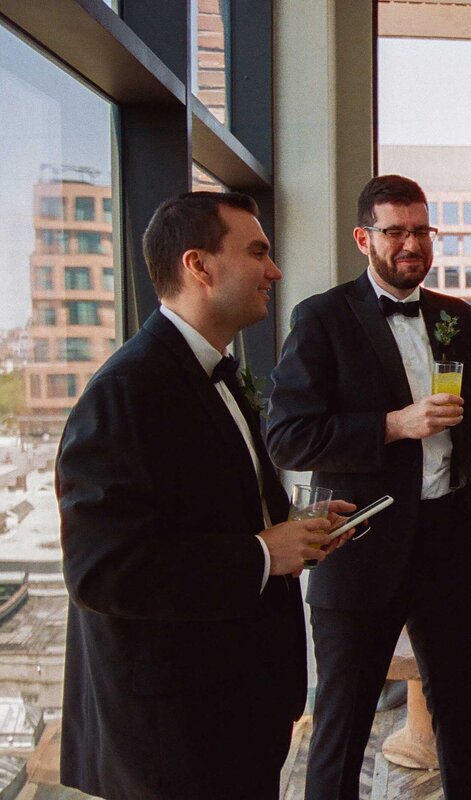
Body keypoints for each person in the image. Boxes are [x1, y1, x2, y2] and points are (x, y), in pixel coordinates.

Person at [56, 192, 351, 799]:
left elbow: (208, 513)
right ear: (199, 265)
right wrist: (264, 553)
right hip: (175, 740)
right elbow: (102, 571)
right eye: (258, 252)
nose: (274, 270)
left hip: (232, 716)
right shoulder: (125, 391)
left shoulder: (212, 370)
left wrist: (293, 528)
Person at [266, 174, 471, 800]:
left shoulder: (463, 320)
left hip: (450, 546)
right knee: (343, 726)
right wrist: (392, 426)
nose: (411, 244)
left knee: (463, 716)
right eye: (395, 231)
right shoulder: (321, 318)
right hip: (361, 546)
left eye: (421, 230)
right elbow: (289, 436)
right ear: (363, 238)